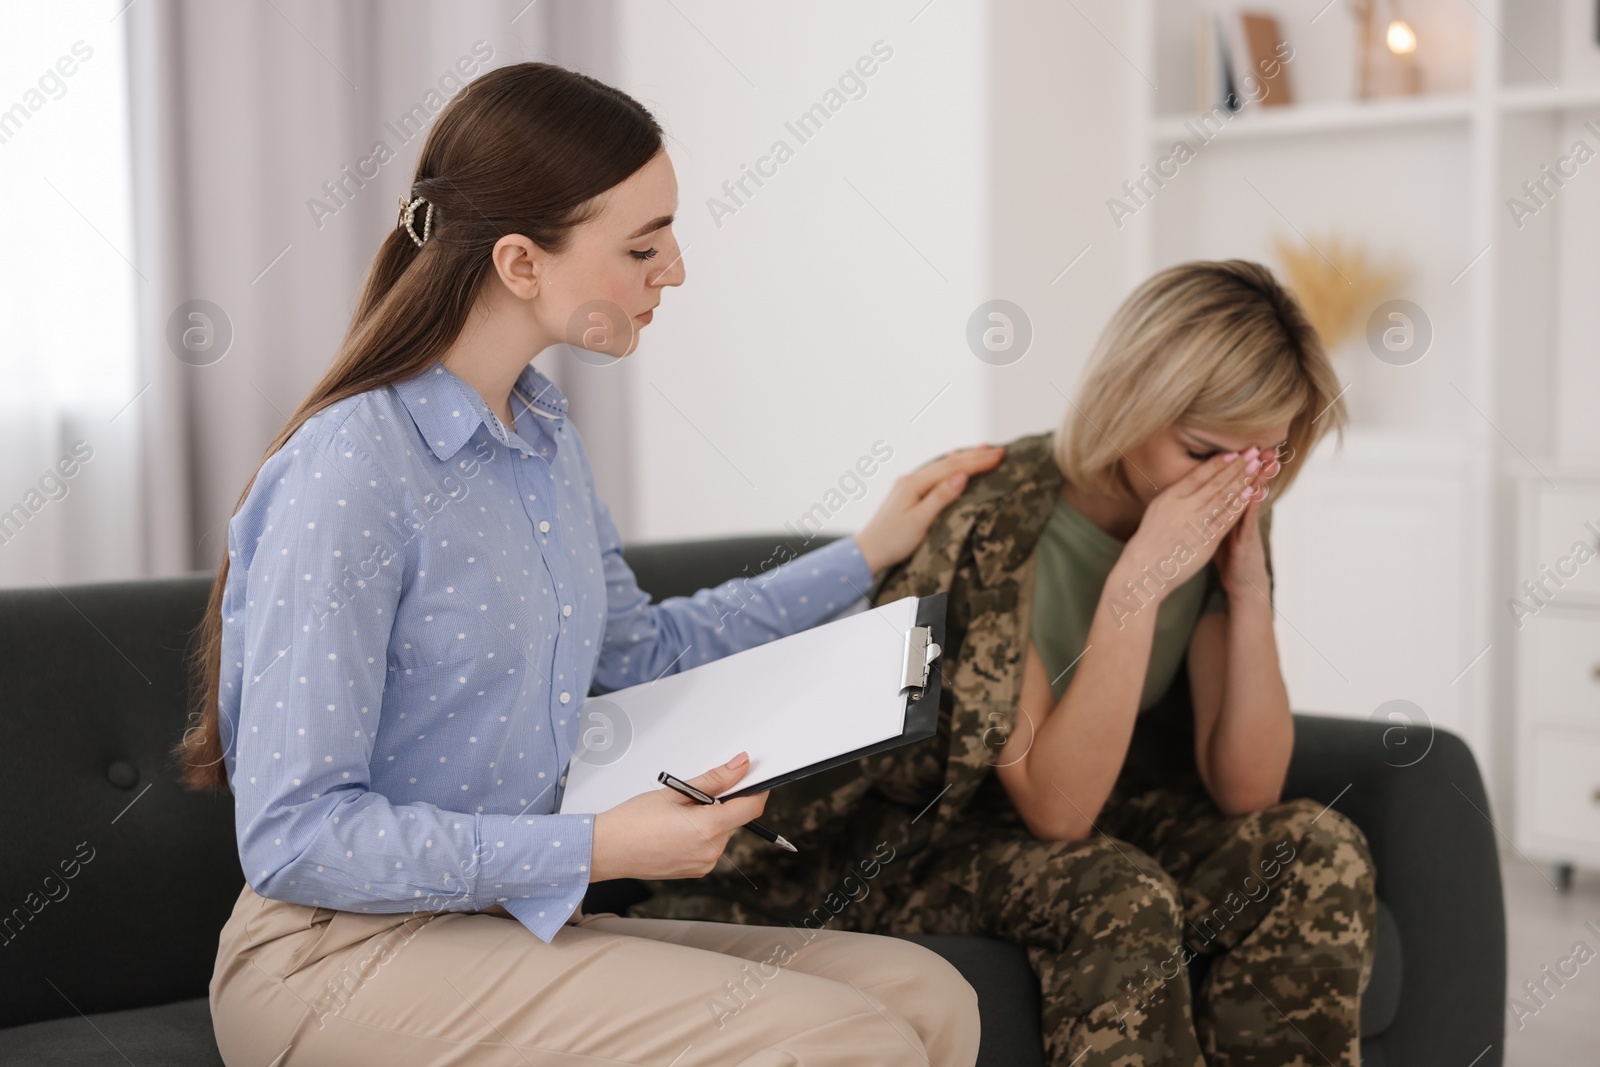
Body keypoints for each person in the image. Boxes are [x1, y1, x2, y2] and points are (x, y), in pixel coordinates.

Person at [174, 61, 998, 1067]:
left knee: (930, 994)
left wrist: (863, 553)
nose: (676, 270)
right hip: (326, 958)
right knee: (845, 1039)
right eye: (643, 245)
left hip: (489, 925)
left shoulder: (542, 438)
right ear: (521, 262)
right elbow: (296, 837)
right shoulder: (349, 469)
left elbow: (643, 647)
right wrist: (597, 847)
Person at [631, 260, 1378, 1067]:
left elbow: (1248, 789)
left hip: (1085, 812)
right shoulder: (996, 525)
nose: (1225, 482)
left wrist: (1248, 589)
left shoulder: (1222, 511)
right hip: (922, 835)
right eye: (1203, 450)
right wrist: (1135, 588)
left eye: (1257, 461)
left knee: (1312, 845)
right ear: (1132, 401)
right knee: (1114, 888)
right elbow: (1057, 810)